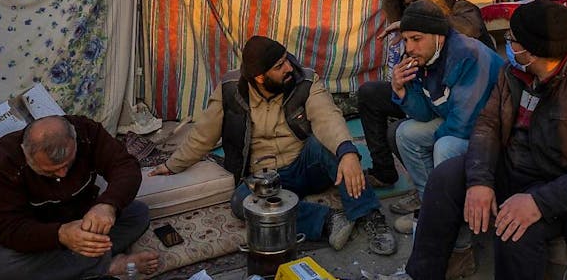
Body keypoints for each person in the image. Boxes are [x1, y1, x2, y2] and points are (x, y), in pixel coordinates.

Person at [405, 0, 567, 280]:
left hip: (552, 184)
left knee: (514, 228)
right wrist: (480, 180)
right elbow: (488, 125)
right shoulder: (513, 73)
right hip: (511, 167)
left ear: (533, 51)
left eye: (513, 39)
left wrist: (539, 202)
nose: (509, 44)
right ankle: (422, 274)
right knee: (445, 178)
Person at [150, 36, 397, 255]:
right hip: (264, 177)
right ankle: (329, 220)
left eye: (286, 59)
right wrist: (172, 165)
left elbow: (327, 118)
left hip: (306, 164)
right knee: (242, 203)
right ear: (260, 77)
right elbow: (204, 134)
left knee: (329, 147)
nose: (289, 67)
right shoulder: (230, 90)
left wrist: (347, 152)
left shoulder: (306, 81)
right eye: (279, 66)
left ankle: (368, 215)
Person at [364, 0, 504, 235]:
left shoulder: (467, 56)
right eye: (406, 40)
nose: (409, 47)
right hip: (456, 121)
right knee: (405, 133)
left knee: (445, 146)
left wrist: (433, 141)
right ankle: (430, 204)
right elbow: (425, 113)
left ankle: (453, 224)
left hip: (489, 133)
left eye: (416, 39)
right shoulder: (424, 58)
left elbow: (463, 126)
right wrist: (401, 90)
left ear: (439, 36)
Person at [359, 0, 495, 193]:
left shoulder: (464, 18)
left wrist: (418, 25)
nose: (413, 9)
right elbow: (423, 108)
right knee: (373, 98)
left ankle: (442, 200)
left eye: (418, 2)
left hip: (473, 111)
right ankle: (415, 189)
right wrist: (400, 90)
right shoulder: (418, 48)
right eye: (408, 7)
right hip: (441, 104)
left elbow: (463, 29)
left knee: (439, 142)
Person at [0, 115, 159, 280]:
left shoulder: (87, 133)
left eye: (68, 164)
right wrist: (60, 235)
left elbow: (125, 166)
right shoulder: (1, 163)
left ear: (75, 142)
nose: (62, 174)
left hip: (78, 216)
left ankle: (67, 265)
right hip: (31, 232)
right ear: (26, 154)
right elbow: (9, 228)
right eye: (49, 171)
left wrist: (107, 205)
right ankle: (106, 265)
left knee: (138, 214)